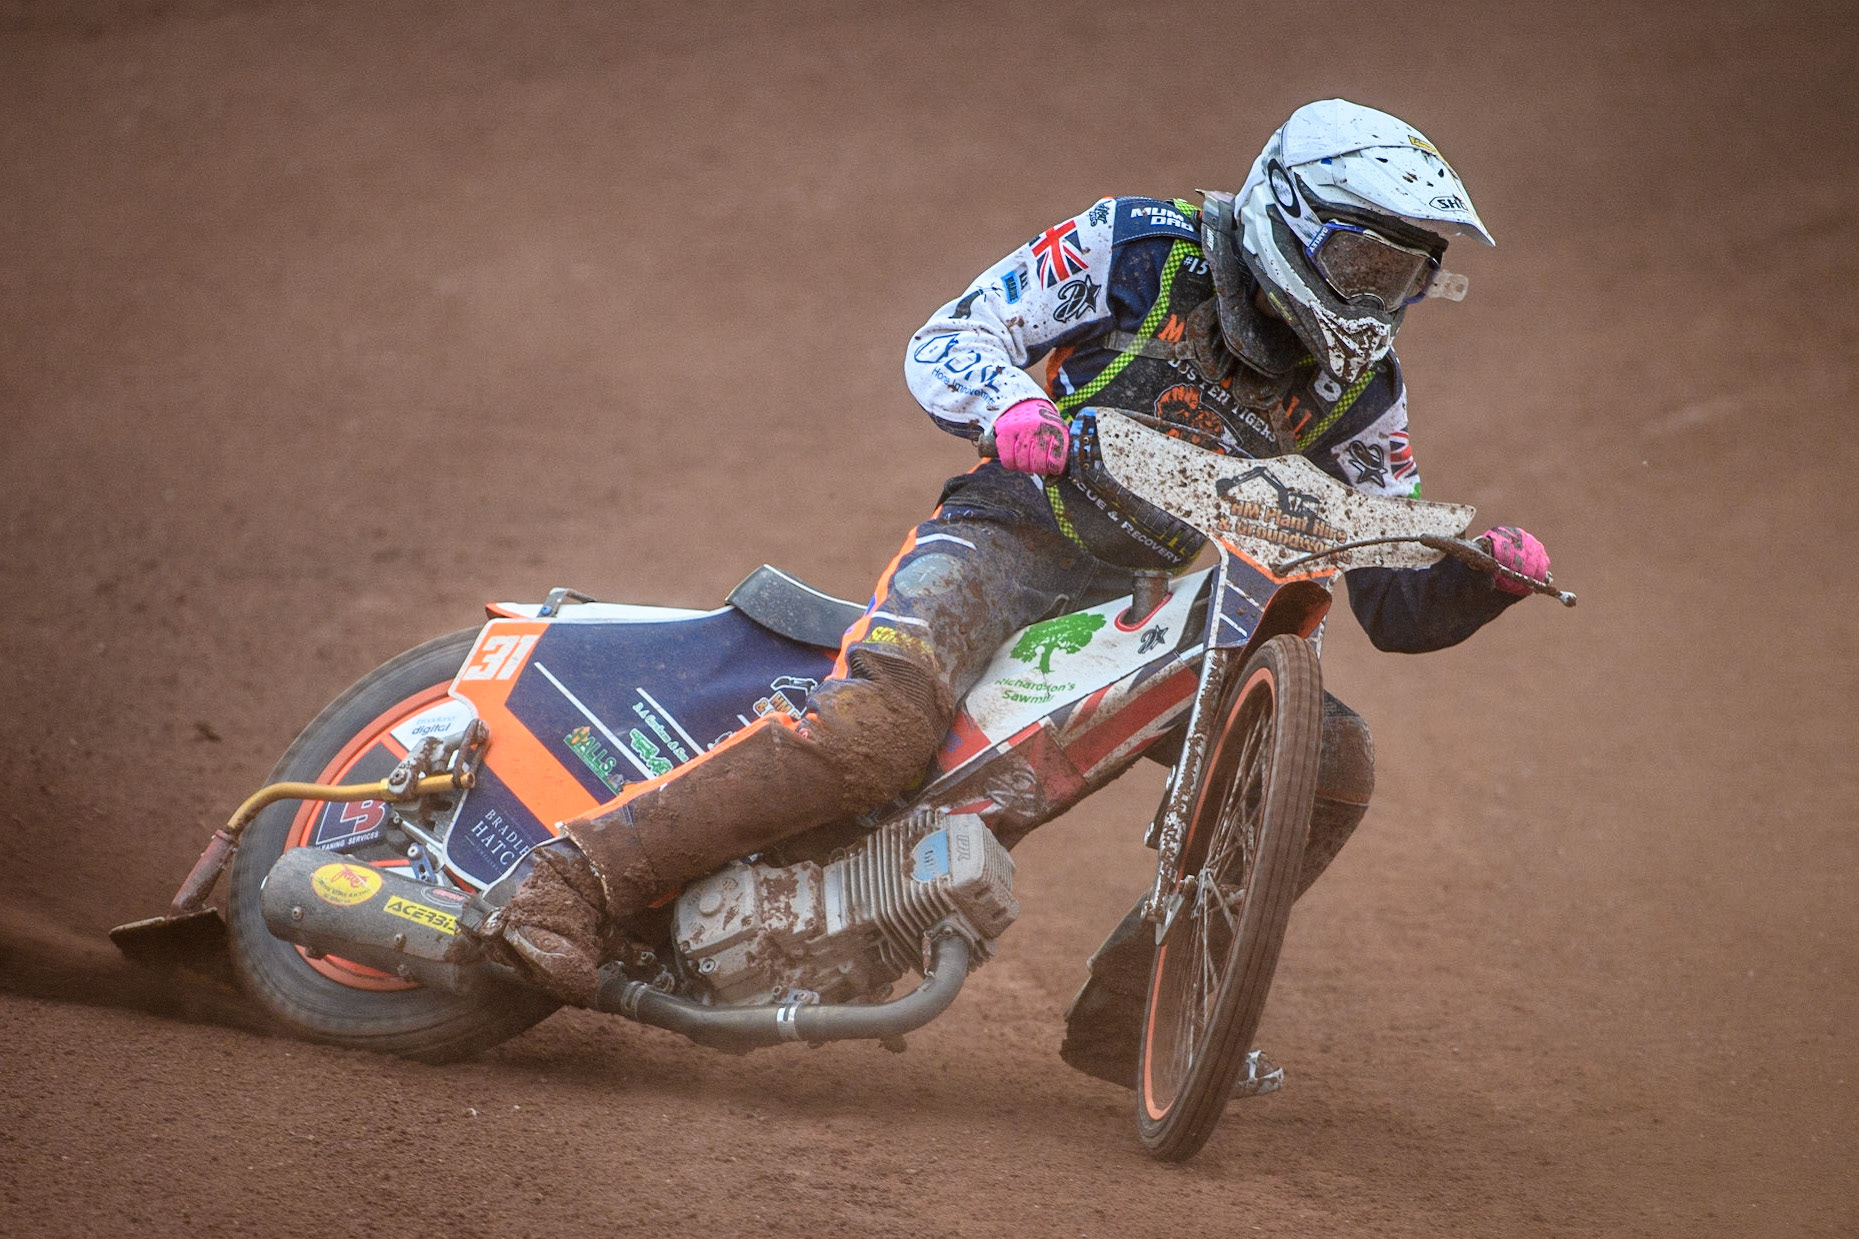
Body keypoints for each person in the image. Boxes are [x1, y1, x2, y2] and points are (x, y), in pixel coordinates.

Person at [477, 100, 1552, 1023]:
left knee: (1329, 769)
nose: (1376, 297)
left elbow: (1391, 595)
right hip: (1011, 532)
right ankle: (565, 883)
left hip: (1165, 602)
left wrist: (1474, 577)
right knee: (876, 733)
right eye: (1362, 261)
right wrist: (1015, 403)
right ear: (1284, 216)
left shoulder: (1368, 393)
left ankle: (1143, 1012)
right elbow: (950, 335)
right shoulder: (1136, 242)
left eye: (1403, 273)